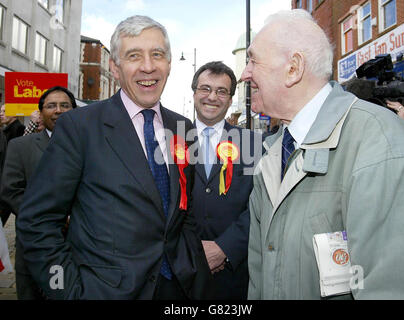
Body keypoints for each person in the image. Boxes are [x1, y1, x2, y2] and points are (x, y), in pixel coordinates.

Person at [16, 15, 211, 300]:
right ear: (114, 68)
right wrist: (67, 291)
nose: (148, 66)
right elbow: (37, 221)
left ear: (168, 64)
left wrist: (194, 264)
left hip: (181, 288)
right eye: (134, 55)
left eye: (157, 54)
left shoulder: (184, 128)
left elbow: (185, 210)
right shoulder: (79, 126)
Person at [240, 9, 404, 300]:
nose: (245, 73)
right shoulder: (272, 153)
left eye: (253, 60)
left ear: (293, 69)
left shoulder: (378, 141)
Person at [190, 61, 262, 300]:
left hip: (234, 275)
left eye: (222, 91)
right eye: (205, 88)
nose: (213, 97)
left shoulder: (252, 144)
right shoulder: (173, 140)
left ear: (230, 100)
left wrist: (225, 248)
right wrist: (190, 250)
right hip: (183, 270)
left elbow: (260, 204)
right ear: (194, 93)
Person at [0, 86, 76, 300]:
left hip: (78, 244)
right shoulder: (20, 147)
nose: (58, 110)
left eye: (65, 105)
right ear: (41, 112)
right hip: (35, 242)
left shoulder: (91, 146)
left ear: (75, 110)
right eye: (51, 106)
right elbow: (11, 191)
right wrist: (48, 217)